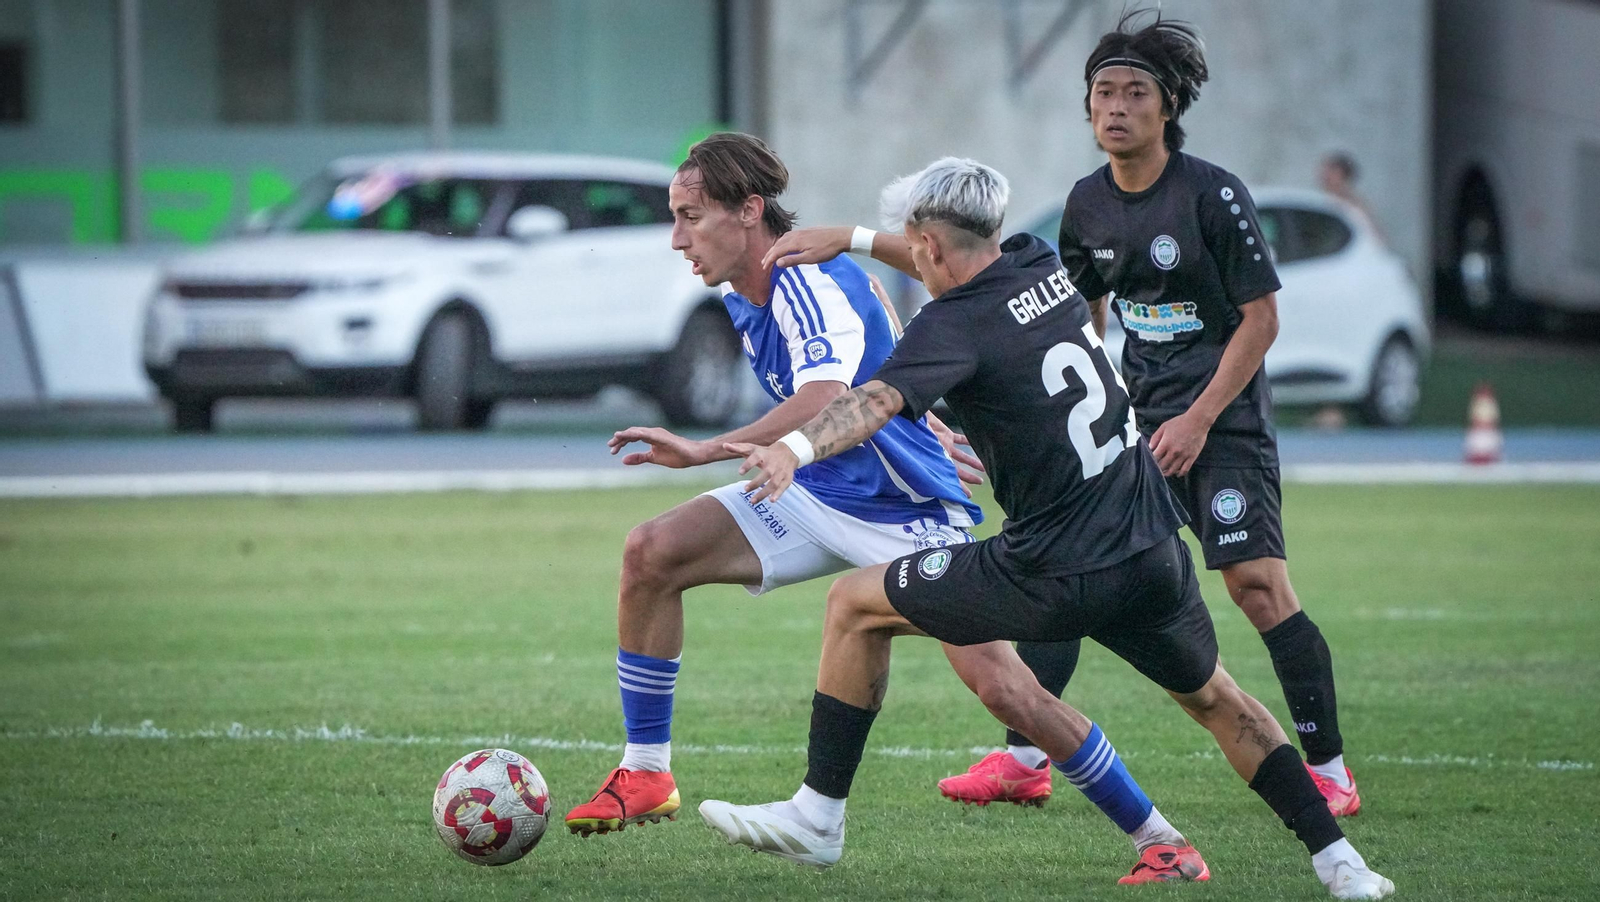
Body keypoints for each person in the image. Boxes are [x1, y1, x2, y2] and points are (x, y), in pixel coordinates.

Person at [703, 157, 1394, 899]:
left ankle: (817, 816)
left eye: (918, 247)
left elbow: (869, 402)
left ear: (929, 246)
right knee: (1220, 701)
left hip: (1052, 570)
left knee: (853, 607)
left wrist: (794, 447)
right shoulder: (1037, 266)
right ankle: (1341, 864)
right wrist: (859, 238)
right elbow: (957, 250)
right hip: (1150, 547)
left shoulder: (952, 325)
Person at [761, 11, 1364, 821]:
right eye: (1101, 93)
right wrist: (864, 240)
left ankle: (1326, 767)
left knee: (1254, 587)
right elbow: (1039, 305)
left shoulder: (1213, 194)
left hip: (1218, 422)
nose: (1115, 107)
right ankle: (1023, 760)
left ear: (1169, 105)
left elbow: (1261, 322)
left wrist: (1195, 421)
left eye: (1134, 93)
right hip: (1131, 424)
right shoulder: (1084, 206)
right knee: (1074, 557)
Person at [559, 131, 980, 837]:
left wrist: (704, 450)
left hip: (898, 508)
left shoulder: (803, 278)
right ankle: (645, 770)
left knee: (1003, 685)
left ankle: (1148, 830)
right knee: (652, 552)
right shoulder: (744, 289)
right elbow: (876, 322)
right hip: (813, 490)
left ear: (749, 211)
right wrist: (917, 400)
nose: (675, 238)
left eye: (689, 217)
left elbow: (821, 396)